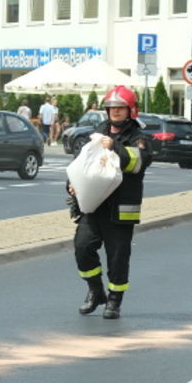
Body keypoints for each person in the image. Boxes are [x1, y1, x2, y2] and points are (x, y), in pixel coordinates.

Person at [68, 86, 152, 319]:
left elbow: (138, 163)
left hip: (121, 208)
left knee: (117, 257)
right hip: (93, 205)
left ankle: (114, 301)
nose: (115, 111)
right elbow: (81, 162)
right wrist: (72, 184)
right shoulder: (98, 132)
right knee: (83, 247)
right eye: (111, 107)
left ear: (130, 110)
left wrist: (115, 147)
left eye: (120, 107)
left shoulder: (139, 137)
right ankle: (95, 292)